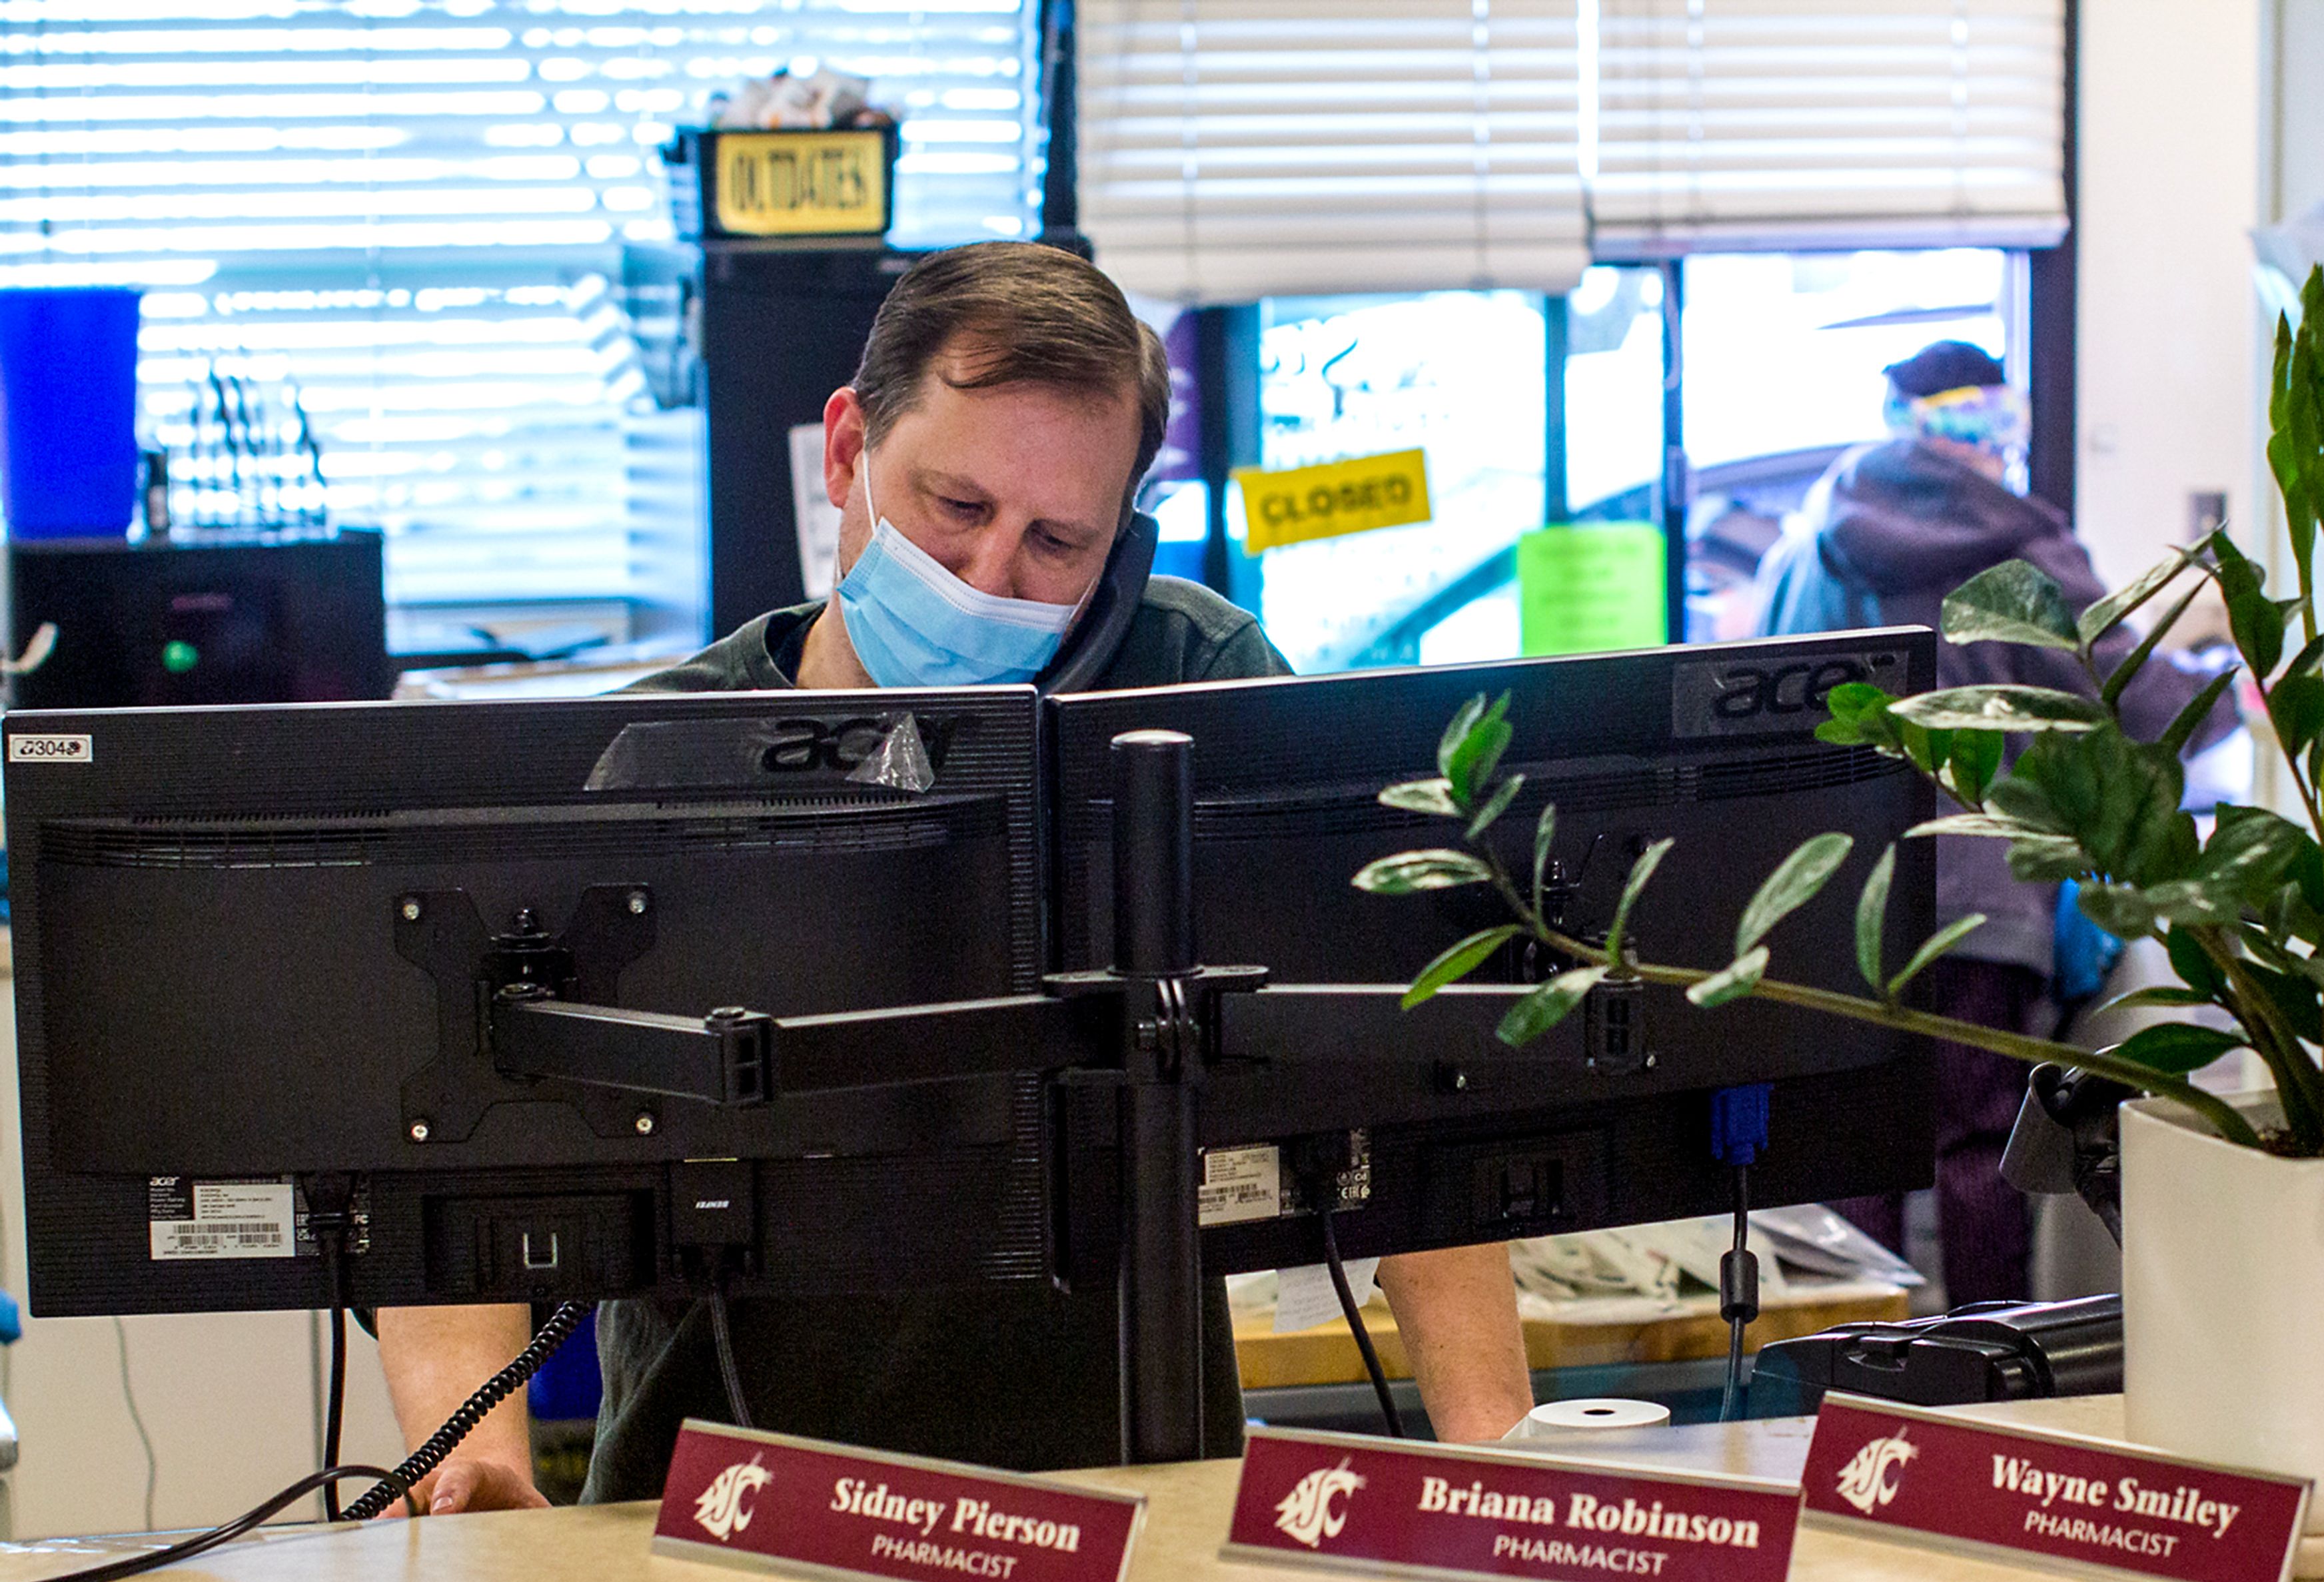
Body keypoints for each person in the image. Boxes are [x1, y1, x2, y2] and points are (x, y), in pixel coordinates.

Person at [378, 242, 1536, 1513]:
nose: (990, 579)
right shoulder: (653, 751)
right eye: (958, 509)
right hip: (715, 1532)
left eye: (1056, 542)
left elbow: (1393, 1073)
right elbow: (452, 1138)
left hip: (1130, 1516)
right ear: (845, 454)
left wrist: (1501, 1452)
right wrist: (468, 1459)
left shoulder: (1189, 680)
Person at [1751, 340, 2235, 1306]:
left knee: (1856, 1144)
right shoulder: (2015, 546)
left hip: (1836, 897)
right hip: (1976, 900)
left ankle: (1850, 1370)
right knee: (1978, 1147)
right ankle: (1992, 1380)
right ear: (1986, 427)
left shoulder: (1810, 537)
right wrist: (2237, 681)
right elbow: (2137, 702)